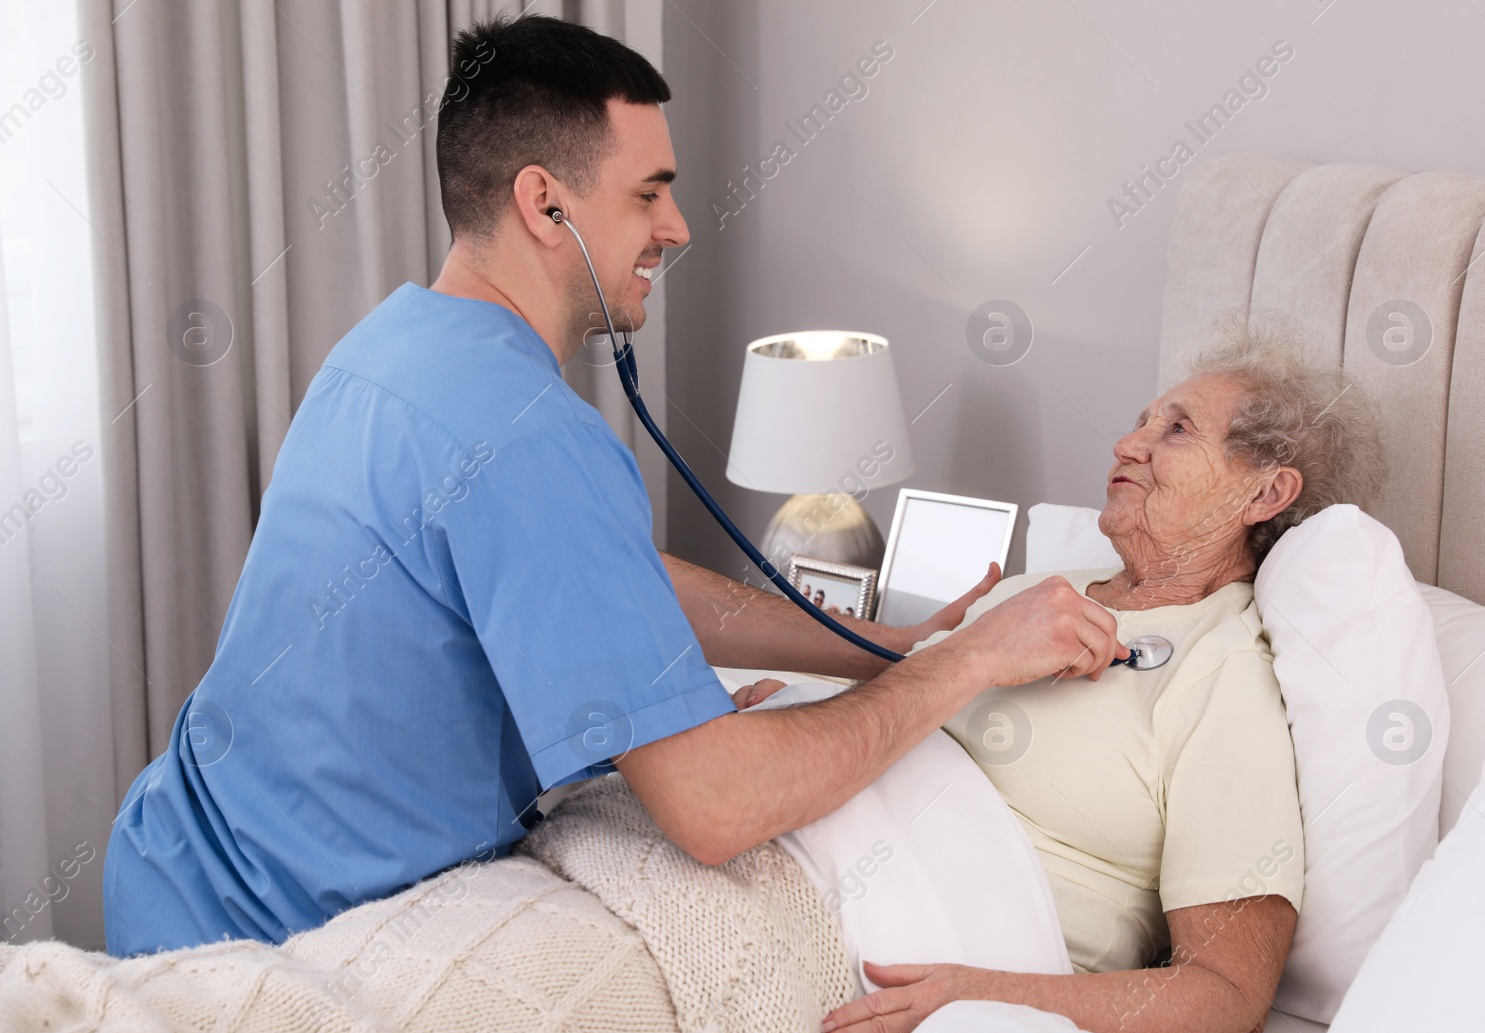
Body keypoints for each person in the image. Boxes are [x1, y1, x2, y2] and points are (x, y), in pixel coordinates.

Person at [102, 14, 1128, 957]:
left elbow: (602, 569)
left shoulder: (397, 343)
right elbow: (715, 807)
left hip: (171, 861)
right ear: (545, 202)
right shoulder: (527, 434)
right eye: (649, 191)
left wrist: (873, 645)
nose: (677, 226)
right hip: (277, 947)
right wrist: (957, 668)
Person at [804, 323, 1386, 1033]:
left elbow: (1226, 999)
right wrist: (795, 703)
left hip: (889, 952)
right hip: (798, 852)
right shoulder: (1031, 594)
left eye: (1175, 428)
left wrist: (981, 999)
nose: (1127, 444)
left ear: (1265, 491)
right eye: (1141, 420)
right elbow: (892, 709)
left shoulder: (1221, 671)